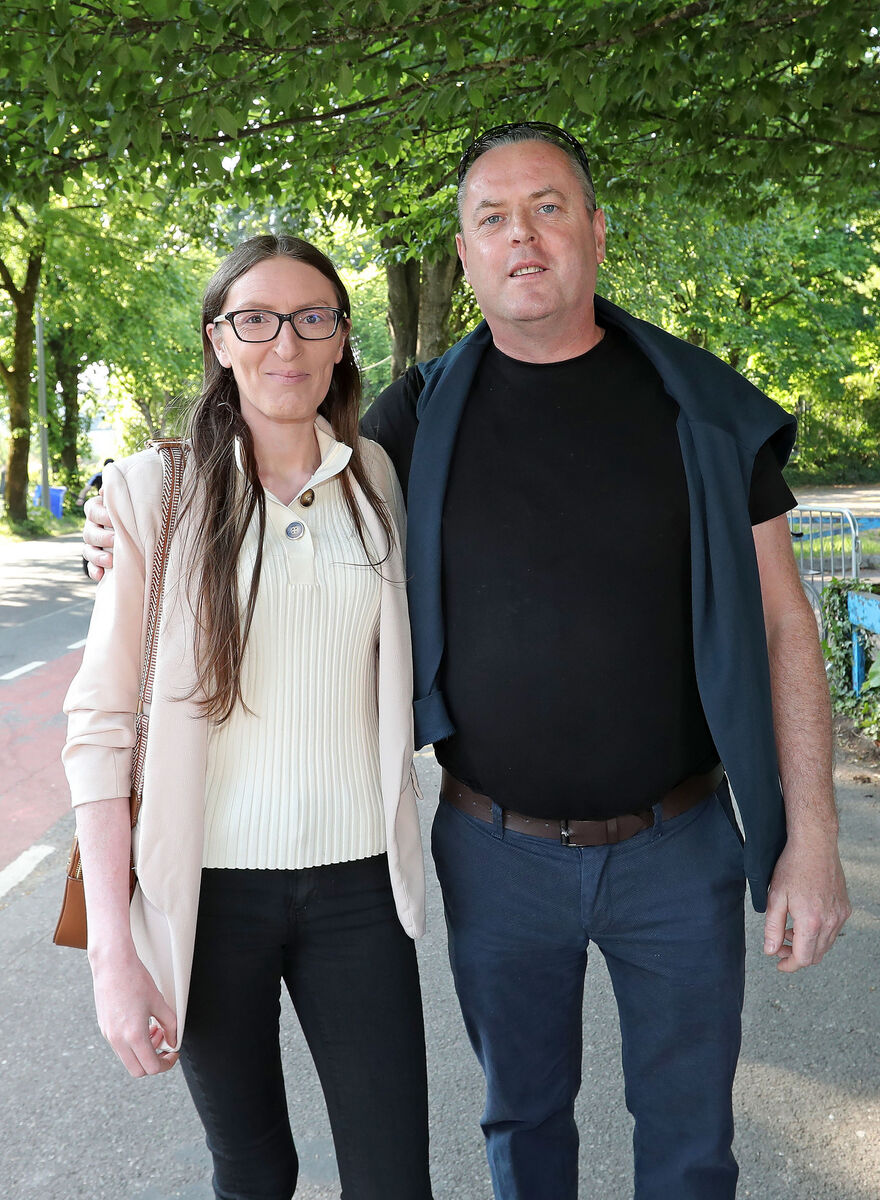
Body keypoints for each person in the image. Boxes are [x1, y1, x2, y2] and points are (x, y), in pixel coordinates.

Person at [84, 126, 852, 1200]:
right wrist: (126, 513)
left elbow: (783, 626)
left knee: (689, 1143)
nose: (521, 236)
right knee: (521, 1127)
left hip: (678, 849)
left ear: (593, 225)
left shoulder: (703, 411)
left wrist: (811, 841)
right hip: (497, 853)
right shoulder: (415, 421)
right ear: (463, 249)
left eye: (546, 207)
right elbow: (278, 459)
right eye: (491, 218)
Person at [65, 234, 432, 1200]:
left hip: (358, 889)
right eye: (256, 320)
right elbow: (100, 730)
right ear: (219, 341)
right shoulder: (156, 491)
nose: (287, 344)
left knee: (394, 1177)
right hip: (209, 895)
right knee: (256, 1169)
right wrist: (115, 955)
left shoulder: (376, 481)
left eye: (314, 318)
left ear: (343, 340)